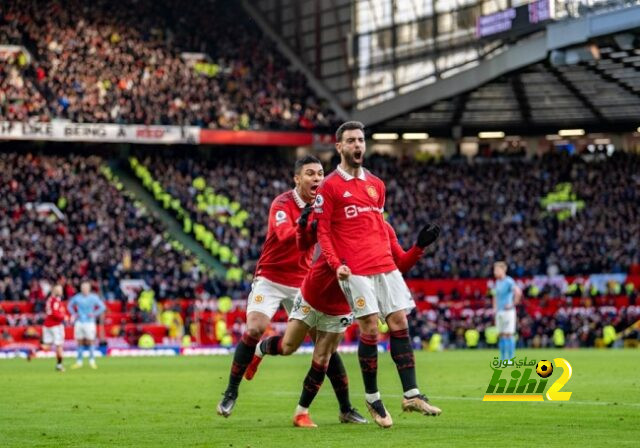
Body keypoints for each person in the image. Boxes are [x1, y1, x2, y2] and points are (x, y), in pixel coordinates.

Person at [248, 218, 440, 427]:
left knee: (322, 357)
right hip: (314, 293)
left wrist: (419, 246)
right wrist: (304, 227)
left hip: (343, 304)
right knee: (287, 346)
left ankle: (301, 412)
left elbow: (399, 265)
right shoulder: (339, 222)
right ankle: (261, 348)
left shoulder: (384, 229)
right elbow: (306, 241)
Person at [217, 156, 365, 424]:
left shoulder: (324, 205)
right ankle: (231, 392)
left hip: (303, 283)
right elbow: (286, 235)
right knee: (253, 328)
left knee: (326, 345)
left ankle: (345, 408)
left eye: (321, 173)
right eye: (310, 173)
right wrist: (305, 224)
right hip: (271, 278)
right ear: (297, 179)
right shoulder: (282, 203)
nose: (317, 178)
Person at [312, 120, 441, 428]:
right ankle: (373, 398)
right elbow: (324, 231)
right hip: (354, 268)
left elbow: (396, 253)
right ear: (340, 147)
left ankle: (411, 394)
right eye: (351, 141)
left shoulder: (377, 186)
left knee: (399, 321)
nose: (358, 145)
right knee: (370, 327)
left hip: (383, 264)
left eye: (361, 140)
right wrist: (334, 263)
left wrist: (419, 247)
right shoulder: (329, 186)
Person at [68, 281, 106, 369]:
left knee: (91, 341)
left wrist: (94, 313)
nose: (84, 289)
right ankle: (79, 362)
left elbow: (102, 307)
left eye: (86, 288)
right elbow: (69, 306)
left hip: (89, 322)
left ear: (89, 288)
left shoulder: (93, 297)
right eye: (83, 288)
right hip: (79, 322)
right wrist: (74, 313)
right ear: (81, 288)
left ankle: (92, 361)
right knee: (80, 342)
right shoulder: (77, 297)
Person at [493, 261, 522, 361]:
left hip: (508, 311)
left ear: (503, 270)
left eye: (496, 270)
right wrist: (495, 308)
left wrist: (512, 304)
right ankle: (502, 359)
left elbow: (518, 292)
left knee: (508, 334)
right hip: (500, 311)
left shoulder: (509, 281)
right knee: (501, 334)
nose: (495, 272)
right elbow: (495, 296)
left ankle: (510, 359)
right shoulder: (497, 282)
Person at [41, 284, 67, 372]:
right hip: (55, 325)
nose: (61, 291)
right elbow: (55, 313)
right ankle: (59, 365)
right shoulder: (55, 301)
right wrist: (63, 317)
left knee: (47, 345)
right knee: (59, 345)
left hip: (47, 324)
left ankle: (32, 352)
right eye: (60, 290)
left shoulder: (49, 299)